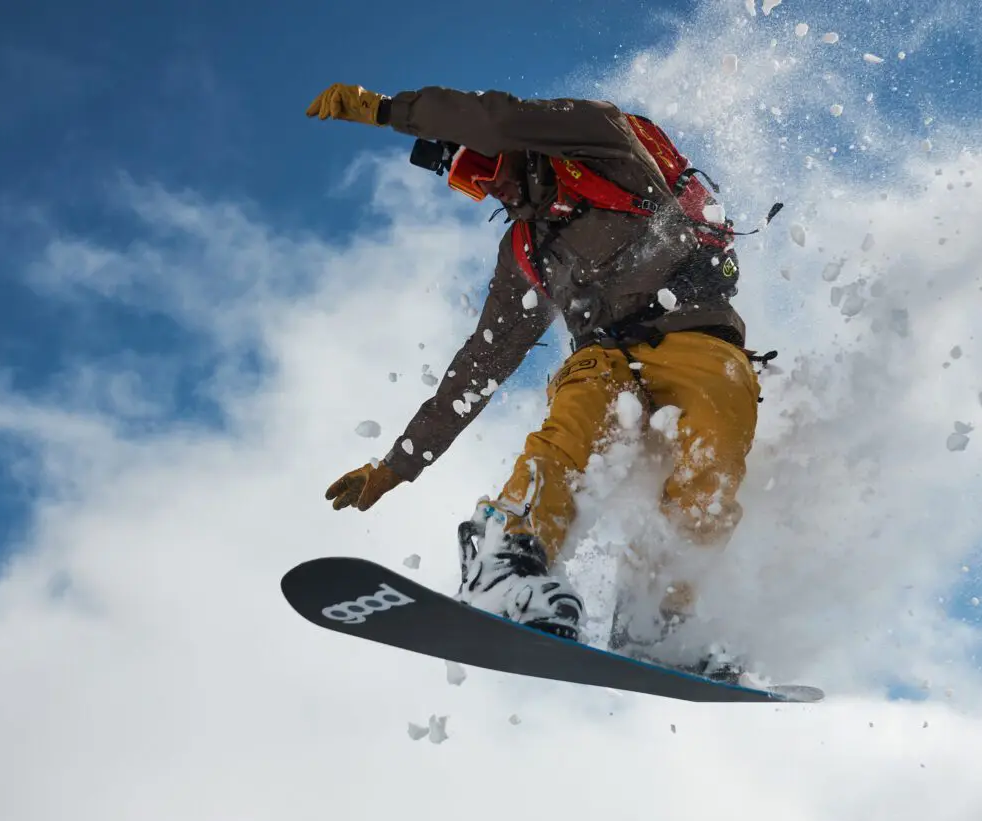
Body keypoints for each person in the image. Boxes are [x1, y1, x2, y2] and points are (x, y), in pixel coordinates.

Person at [309, 82, 765, 674]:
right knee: (571, 431)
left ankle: (656, 617)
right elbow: (482, 362)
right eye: (467, 185)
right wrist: (398, 465)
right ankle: (506, 562)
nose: (486, 186)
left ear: (509, 145)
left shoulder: (600, 143)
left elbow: (497, 115)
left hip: (696, 337)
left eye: (479, 165)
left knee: (714, 458)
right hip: (604, 359)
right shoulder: (525, 249)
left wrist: (388, 111)